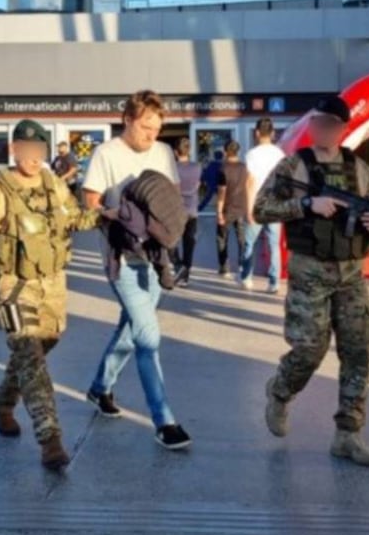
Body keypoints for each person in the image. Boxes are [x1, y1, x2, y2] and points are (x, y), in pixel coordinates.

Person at [0, 119, 102, 471]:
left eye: (40, 151)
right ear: (14, 149)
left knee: (42, 345)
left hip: (53, 284)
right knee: (32, 358)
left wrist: (105, 215)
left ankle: (2, 403)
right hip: (14, 285)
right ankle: (50, 440)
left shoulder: (54, 185)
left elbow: (74, 220)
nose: (34, 157)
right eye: (27, 150)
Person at [256, 95, 369, 467]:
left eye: (330, 124)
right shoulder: (293, 166)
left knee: (358, 351)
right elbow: (260, 209)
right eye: (317, 122)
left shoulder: (359, 169)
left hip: (350, 274)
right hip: (310, 273)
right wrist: (304, 206)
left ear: (343, 129)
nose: (322, 130)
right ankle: (281, 391)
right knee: (309, 349)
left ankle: (348, 434)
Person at [82, 90, 192, 451]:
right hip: (122, 259)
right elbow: (91, 204)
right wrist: (120, 213)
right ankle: (164, 420)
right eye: (146, 127)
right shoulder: (106, 154)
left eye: (157, 129)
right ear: (127, 119)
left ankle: (100, 389)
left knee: (130, 331)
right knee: (148, 336)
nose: (152, 136)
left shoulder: (162, 153)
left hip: (157, 258)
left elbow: (171, 197)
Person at [240, 118, 286, 293]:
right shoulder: (280, 154)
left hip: (258, 203)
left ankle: (247, 278)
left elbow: (251, 183)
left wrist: (249, 209)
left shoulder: (252, 154)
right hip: (274, 203)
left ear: (257, 133)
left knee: (249, 243)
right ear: (273, 133)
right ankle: (274, 283)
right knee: (274, 245)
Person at [172, 137, 201, 287]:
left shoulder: (171, 168)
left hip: (176, 211)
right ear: (189, 150)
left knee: (171, 242)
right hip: (192, 211)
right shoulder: (197, 167)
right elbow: (198, 184)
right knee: (189, 244)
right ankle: (185, 276)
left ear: (176, 152)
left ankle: (178, 267)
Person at [216, 140, 247, 278]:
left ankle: (224, 267)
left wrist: (219, 212)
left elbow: (222, 193)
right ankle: (242, 264)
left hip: (227, 209)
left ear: (225, 151)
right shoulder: (245, 167)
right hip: (241, 207)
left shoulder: (223, 169)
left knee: (222, 238)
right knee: (241, 238)